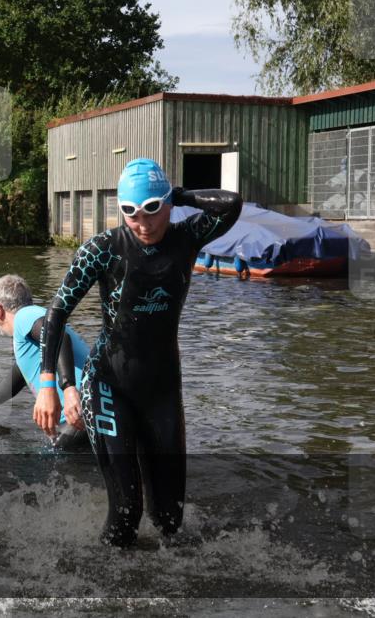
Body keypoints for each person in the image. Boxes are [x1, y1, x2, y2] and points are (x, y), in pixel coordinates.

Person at [36, 158, 242, 547]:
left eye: (152, 211)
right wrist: (51, 383)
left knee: (169, 520)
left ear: (167, 205)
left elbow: (231, 204)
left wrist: (177, 194)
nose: (143, 224)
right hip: (109, 382)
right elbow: (57, 311)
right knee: (127, 510)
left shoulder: (187, 236)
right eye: (131, 213)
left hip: (162, 388)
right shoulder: (104, 249)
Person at [0, 274, 90, 450]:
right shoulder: (31, 337)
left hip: (79, 413)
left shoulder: (25, 316)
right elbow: (14, 382)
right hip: (89, 412)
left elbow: (60, 337)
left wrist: (68, 387)